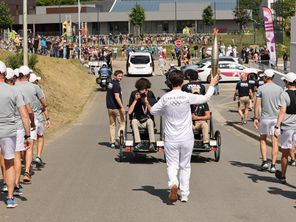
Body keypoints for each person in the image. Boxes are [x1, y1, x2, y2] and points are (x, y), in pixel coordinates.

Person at [151, 70, 219, 203]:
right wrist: (211, 84)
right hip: (187, 137)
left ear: (169, 82)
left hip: (171, 137)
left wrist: (165, 111)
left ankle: (173, 184)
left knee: (172, 164)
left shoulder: (166, 98)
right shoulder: (186, 96)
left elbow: (153, 110)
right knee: (185, 165)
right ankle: (184, 194)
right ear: (182, 82)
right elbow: (205, 98)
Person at [0, 61, 31, 208]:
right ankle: (10, 198)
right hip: (9, 131)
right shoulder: (13, 90)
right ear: (5, 74)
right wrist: (27, 135)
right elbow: (24, 115)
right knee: (9, 163)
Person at [15, 66, 48, 183]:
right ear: (28, 76)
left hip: (16, 120)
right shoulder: (35, 87)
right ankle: (28, 171)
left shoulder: (14, 86)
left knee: (19, 148)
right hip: (31, 118)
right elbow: (45, 102)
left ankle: (18, 171)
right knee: (29, 145)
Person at [254, 69, 283, 172]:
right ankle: (273, 165)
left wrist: (256, 117)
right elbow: (282, 106)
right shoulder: (280, 89)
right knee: (275, 141)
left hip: (265, 118)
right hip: (275, 118)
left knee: (262, 139)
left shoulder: (261, 88)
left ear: (266, 77)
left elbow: (257, 105)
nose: (262, 78)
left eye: (263, 77)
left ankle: (265, 162)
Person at [274, 72, 296, 184]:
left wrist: (277, 125)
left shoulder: (284, 94)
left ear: (287, 82)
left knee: (285, 153)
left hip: (287, 127)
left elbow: (282, 111)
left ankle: (283, 176)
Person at [128, 78, 157, 151]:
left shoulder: (150, 94)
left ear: (147, 89)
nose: (142, 93)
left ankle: (152, 143)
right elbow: (129, 112)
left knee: (150, 121)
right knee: (134, 121)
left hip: (147, 120)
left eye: (144, 90)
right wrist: (135, 100)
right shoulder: (134, 94)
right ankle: (138, 143)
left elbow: (153, 111)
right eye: (140, 90)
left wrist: (146, 102)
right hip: (138, 120)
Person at [106, 70, 125, 148]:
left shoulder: (110, 83)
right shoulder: (116, 85)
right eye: (119, 76)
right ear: (115, 76)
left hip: (109, 107)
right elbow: (117, 97)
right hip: (116, 108)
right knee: (122, 123)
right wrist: (122, 107)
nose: (120, 77)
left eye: (121, 76)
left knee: (112, 125)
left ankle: (112, 142)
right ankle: (118, 137)